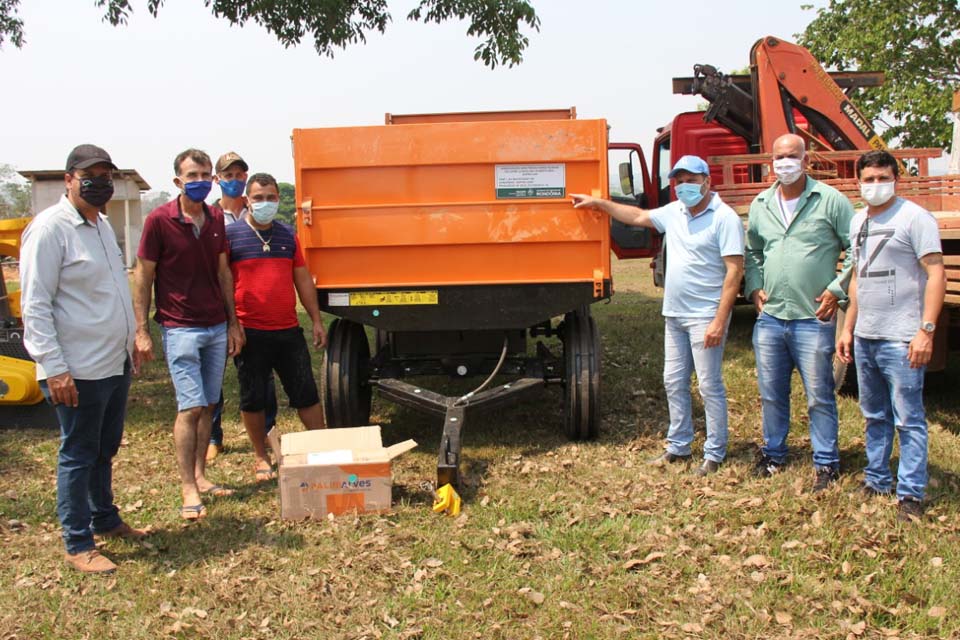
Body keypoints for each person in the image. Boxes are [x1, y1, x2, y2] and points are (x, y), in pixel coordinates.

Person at [572, 155, 744, 476]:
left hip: (705, 315)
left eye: (691, 180)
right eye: (679, 181)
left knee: (709, 386)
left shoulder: (725, 218)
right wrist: (599, 203)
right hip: (675, 314)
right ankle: (678, 446)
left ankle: (715, 452)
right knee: (673, 381)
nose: (684, 187)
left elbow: (734, 272)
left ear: (707, 181)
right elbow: (637, 216)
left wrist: (720, 320)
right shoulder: (674, 212)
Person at [20, 144, 148, 574]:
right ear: (69, 179)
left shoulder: (100, 225)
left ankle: (105, 520)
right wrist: (54, 367)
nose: (100, 182)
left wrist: (131, 337)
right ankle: (77, 543)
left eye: (106, 175)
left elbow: (112, 289)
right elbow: (35, 305)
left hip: (112, 362)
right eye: (90, 174)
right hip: (76, 368)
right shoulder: (50, 229)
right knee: (78, 453)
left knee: (103, 448)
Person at [133, 149, 244, 521]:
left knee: (209, 405)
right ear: (178, 181)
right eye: (191, 175)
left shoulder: (215, 218)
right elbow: (143, 275)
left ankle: (201, 475)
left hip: (215, 325)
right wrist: (141, 330)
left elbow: (224, 273)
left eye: (204, 174)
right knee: (190, 407)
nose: (199, 180)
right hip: (179, 327)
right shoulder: (158, 220)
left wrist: (233, 322)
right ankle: (187, 487)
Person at [837, 150, 945, 521]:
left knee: (908, 418)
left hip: (902, 338)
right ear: (859, 183)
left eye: (882, 177)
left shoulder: (915, 218)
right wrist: (849, 327)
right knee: (874, 414)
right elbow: (858, 277)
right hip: (867, 336)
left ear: (895, 178)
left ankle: (910, 493)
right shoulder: (857, 222)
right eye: (868, 179)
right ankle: (877, 477)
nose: (875, 185)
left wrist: (925, 331)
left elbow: (935, 274)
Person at [745, 133, 855, 491]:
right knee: (772, 392)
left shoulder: (830, 201)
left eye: (792, 156)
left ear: (806, 160)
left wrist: (837, 289)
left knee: (819, 393)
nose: (785, 163)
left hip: (814, 316)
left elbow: (857, 249)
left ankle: (826, 463)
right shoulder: (762, 203)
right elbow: (754, 251)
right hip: (772, 317)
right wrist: (755, 285)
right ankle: (774, 454)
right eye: (779, 157)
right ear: (770, 161)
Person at [227, 173, 327, 480]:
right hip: (250, 332)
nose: (265, 203)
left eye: (271, 197)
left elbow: (301, 279)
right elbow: (223, 283)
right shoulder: (231, 237)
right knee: (253, 397)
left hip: (287, 331)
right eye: (258, 198)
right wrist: (232, 325)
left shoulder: (287, 236)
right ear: (247, 201)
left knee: (306, 393)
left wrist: (316, 320)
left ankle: (322, 449)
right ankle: (261, 456)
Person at [206, 152, 278, 462]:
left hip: (250, 310)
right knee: (212, 374)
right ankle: (212, 436)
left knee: (261, 376)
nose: (234, 181)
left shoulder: (259, 217)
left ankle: (268, 433)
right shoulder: (208, 217)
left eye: (239, 175)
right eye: (228, 175)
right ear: (217, 179)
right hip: (213, 307)